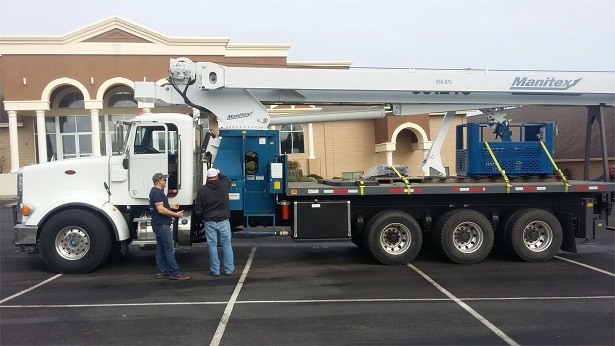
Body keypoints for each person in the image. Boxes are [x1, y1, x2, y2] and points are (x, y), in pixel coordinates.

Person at [149, 172, 190, 280]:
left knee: (161, 248)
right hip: (162, 224)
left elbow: (161, 206)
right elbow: (161, 210)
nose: (166, 182)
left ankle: (161, 272)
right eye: (165, 180)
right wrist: (175, 214)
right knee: (169, 248)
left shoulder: (155, 192)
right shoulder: (157, 193)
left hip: (158, 223)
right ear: (159, 181)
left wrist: (171, 206)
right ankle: (174, 272)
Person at [195, 168, 236, 276]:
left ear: (207, 178)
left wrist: (202, 217)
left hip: (209, 221)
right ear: (216, 176)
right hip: (223, 220)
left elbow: (198, 208)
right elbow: (227, 180)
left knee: (212, 245)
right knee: (227, 244)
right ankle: (229, 269)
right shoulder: (224, 186)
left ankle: (215, 270)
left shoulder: (202, 190)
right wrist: (219, 173)